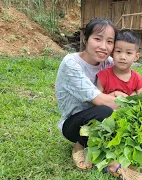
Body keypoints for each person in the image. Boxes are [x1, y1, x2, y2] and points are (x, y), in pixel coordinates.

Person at [55, 18, 120, 175]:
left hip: (102, 121)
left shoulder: (108, 63)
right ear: (86, 39)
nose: (103, 47)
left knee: (110, 110)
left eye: (109, 42)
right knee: (105, 110)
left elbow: (126, 79)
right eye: (97, 39)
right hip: (73, 125)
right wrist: (134, 104)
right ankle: (80, 144)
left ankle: (102, 147)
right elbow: (100, 100)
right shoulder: (71, 63)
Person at [96, 29, 142, 97]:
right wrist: (115, 94)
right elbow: (97, 100)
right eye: (118, 51)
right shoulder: (103, 76)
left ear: (136, 57)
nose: (122, 57)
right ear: (112, 53)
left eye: (129, 53)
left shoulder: (138, 80)